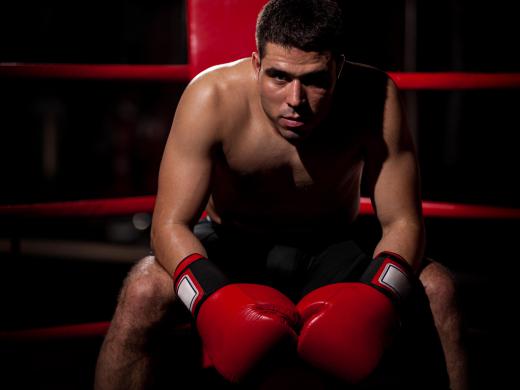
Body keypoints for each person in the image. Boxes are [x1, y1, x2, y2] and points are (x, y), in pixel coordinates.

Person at [94, 0, 467, 388]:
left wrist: (379, 294)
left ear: (339, 67)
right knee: (142, 290)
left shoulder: (375, 97)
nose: (295, 100)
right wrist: (208, 297)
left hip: (331, 247)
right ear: (256, 63)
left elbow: (403, 220)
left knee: (438, 288)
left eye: (316, 80)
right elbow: (169, 225)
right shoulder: (212, 97)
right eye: (278, 77)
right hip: (233, 246)